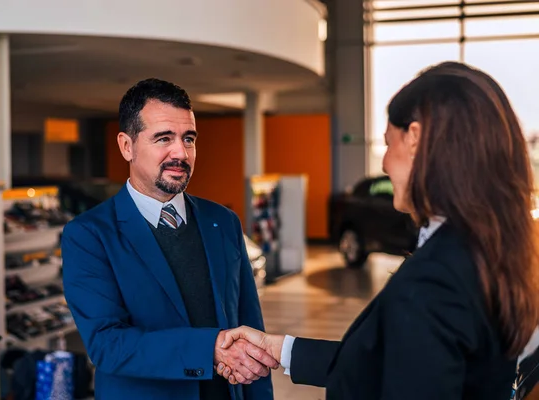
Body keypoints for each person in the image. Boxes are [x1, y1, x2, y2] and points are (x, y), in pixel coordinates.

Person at [215, 62, 539, 399]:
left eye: (387, 143)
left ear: (414, 139)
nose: (383, 163)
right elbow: (397, 362)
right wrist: (281, 350)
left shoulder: (435, 278)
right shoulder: (487, 251)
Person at [61, 78, 277, 400]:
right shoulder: (89, 235)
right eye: (163, 138)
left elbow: (251, 332)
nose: (181, 152)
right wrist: (210, 349)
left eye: (188, 139)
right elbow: (108, 346)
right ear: (127, 146)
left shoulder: (223, 221)